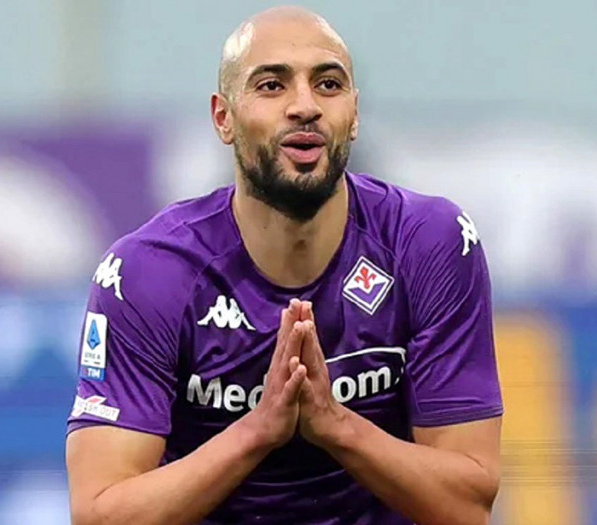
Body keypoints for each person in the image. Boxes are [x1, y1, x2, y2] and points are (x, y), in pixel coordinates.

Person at [65, 6, 503, 524]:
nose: (305, 106)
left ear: (355, 114)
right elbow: (101, 515)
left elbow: (467, 507)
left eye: (328, 85)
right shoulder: (149, 273)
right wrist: (259, 429)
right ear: (223, 118)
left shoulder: (428, 244)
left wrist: (335, 425)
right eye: (272, 85)